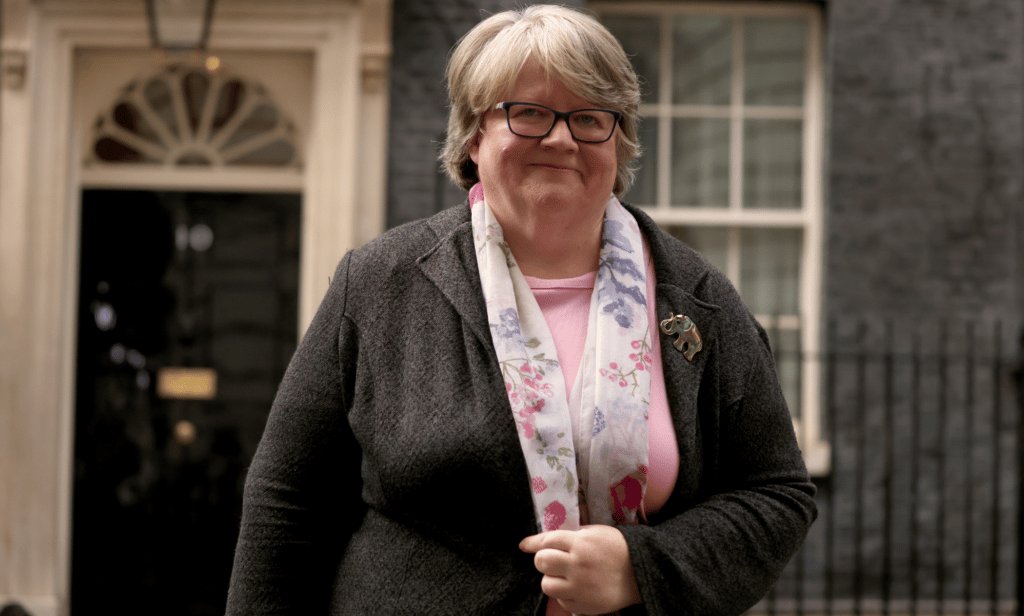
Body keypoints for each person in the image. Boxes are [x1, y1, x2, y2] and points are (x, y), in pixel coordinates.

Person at [225, 5, 816, 615]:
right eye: (528, 112)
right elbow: (287, 502)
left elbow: (775, 493)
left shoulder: (698, 298)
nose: (561, 137)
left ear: (618, 141)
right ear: (475, 136)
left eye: (590, 117)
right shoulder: (379, 284)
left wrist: (642, 567)